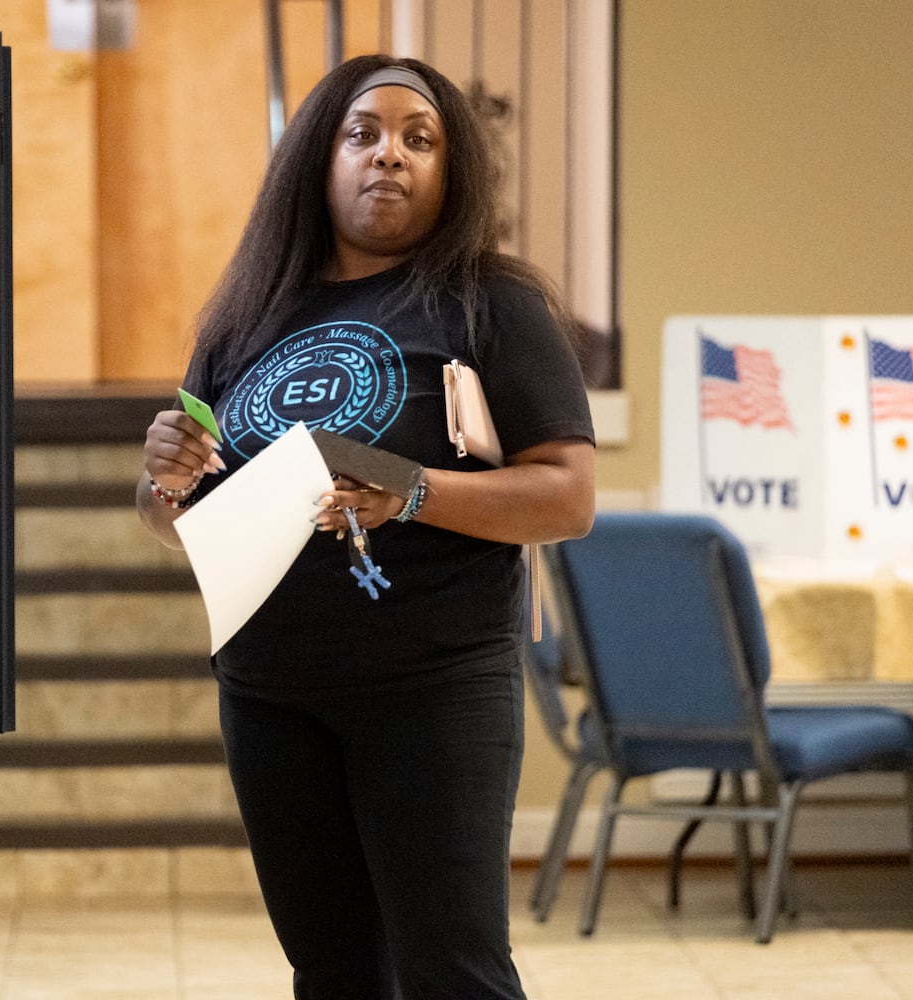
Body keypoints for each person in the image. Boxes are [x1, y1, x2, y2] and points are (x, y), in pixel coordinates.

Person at [136, 54, 595, 1000]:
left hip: (431, 686)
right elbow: (181, 524)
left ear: (449, 171)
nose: (389, 155)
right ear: (320, 159)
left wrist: (413, 491)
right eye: (364, 135)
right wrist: (162, 483)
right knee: (332, 972)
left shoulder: (490, 303)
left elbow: (566, 495)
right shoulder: (247, 318)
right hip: (268, 695)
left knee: (453, 973)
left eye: (418, 140)